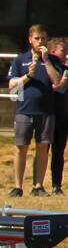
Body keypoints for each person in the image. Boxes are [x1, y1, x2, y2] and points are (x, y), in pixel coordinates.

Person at [9, 24, 64, 197]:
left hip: (47, 111)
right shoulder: (20, 59)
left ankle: (38, 186)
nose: (40, 41)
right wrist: (27, 76)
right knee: (21, 147)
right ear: (30, 39)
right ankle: (18, 186)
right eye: (37, 38)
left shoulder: (53, 60)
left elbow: (57, 82)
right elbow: (11, 86)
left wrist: (46, 60)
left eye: (43, 38)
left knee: (42, 147)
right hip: (24, 110)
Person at [51, 38, 68, 196]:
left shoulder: (65, 69)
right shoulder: (46, 68)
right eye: (63, 50)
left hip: (63, 116)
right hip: (47, 114)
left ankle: (56, 184)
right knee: (42, 151)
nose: (66, 53)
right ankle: (38, 185)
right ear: (53, 52)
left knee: (59, 152)